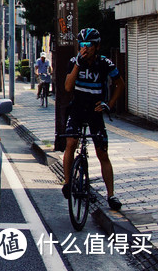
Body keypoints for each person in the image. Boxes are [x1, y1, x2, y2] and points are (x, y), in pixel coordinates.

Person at [61, 28, 125, 211]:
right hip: (78, 108)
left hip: (95, 110)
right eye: (82, 45)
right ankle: (67, 183)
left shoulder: (105, 63)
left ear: (97, 46)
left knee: (102, 153)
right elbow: (67, 87)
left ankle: (111, 195)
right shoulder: (75, 62)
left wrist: (109, 104)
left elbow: (120, 84)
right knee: (71, 142)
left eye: (89, 45)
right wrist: (78, 65)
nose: (85, 49)